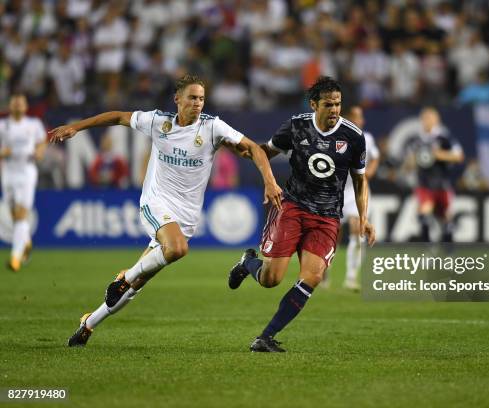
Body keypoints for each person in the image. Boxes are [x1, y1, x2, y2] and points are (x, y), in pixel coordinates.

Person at [49, 74, 282, 347]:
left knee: (138, 283)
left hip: (186, 215)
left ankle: (89, 323)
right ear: (178, 99)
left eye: (202, 99)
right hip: (156, 203)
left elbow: (253, 148)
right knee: (176, 250)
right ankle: (126, 276)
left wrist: (269, 179)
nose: (198, 104)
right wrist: (76, 127)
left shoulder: (212, 127)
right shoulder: (158, 122)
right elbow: (117, 117)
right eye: (192, 98)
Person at [227, 76, 376, 352]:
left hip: (328, 216)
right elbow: (265, 153)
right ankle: (248, 263)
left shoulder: (353, 137)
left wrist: (364, 217)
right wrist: (260, 172)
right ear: (314, 104)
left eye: (338, 104)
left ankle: (265, 337)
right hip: (293, 207)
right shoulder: (297, 126)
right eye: (329, 105)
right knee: (271, 279)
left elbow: (360, 180)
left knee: (312, 277)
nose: (335, 110)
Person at [0, 93, 46, 272]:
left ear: (26, 107)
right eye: (15, 102)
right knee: (14, 216)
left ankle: (15, 258)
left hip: (27, 172)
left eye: (21, 102)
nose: (18, 105)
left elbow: (41, 142)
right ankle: (26, 242)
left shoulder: (33, 125)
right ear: (10, 106)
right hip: (9, 173)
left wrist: (40, 152)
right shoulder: (3, 126)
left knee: (20, 215)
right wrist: (3, 153)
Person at [407, 107, 464, 243]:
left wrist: (439, 155)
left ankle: (448, 252)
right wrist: (412, 161)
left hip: (442, 183)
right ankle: (427, 251)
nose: (428, 121)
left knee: (446, 220)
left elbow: (459, 156)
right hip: (424, 183)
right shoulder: (417, 140)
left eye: (431, 118)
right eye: (425, 118)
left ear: (437, 120)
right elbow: (409, 164)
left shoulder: (444, 138)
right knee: (424, 215)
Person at [339, 105, 379, 291]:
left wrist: (369, 171)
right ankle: (322, 273)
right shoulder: (337, 134)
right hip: (337, 191)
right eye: (357, 116)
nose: (361, 120)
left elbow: (375, 157)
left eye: (361, 117)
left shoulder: (368, 138)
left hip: (357, 190)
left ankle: (351, 276)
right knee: (332, 235)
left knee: (357, 230)